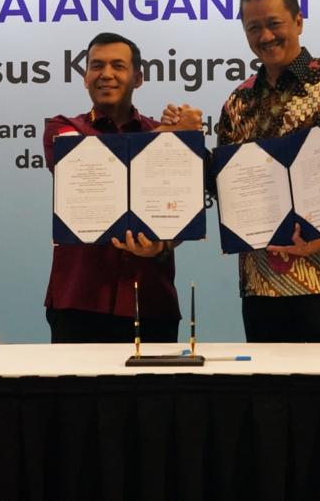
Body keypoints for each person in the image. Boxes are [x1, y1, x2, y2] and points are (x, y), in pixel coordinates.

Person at [166, 0, 320, 342]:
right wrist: (186, 141)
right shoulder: (238, 102)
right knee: (268, 381)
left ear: (298, 21)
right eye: (253, 28)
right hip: (262, 285)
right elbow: (225, 187)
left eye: (274, 23)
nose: (265, 36)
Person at [43, 32, 202, 343]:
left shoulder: (159, 132)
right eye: (96, 66)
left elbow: (180, 211)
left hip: (151, 300)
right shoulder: (62, 129)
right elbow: (96, 164)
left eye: (118, 65)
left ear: (138, 78)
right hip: (79, 301)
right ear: (85, 77)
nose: (106, 74)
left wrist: (161, 246)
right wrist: (169, 135)